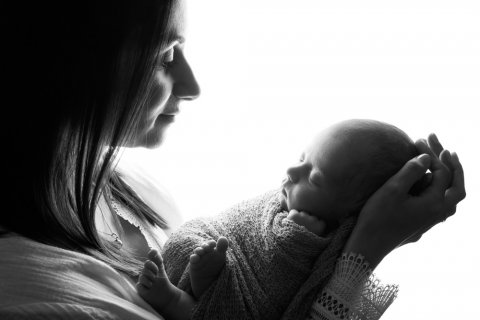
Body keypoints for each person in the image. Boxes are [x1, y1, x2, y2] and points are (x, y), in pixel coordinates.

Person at [0, 0, 465, 319]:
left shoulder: (128, 190)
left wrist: (356, 214)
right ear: (69, 64)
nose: (192, 85)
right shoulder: (40, 298)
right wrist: (363, 250)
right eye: (165, 54)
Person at [133, 119, 435, 320]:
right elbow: (243, 224)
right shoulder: (281, 202)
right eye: (302, 158)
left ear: (348, 213)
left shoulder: (330, 243)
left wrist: (297, 243)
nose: (292, 172)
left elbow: (286, 296)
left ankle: (177, 299)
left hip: (233, 294)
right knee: (202, 246)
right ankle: (204, 285)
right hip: (215, 242)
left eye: (313, 178)